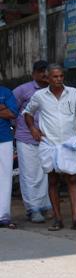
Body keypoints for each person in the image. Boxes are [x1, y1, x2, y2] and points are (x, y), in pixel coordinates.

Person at [23, 64, 76, 232]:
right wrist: (32, 128)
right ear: (48, 78)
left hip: (68, 143)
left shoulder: (73, 93)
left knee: (72, 179)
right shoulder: (40, 96)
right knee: (53, 180)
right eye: (55, 77)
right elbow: (27, 113)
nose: (59, 79)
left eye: (61, 76)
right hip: (49, 143)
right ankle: (58, 219)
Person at [13, 61, 52, 223]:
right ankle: (33, 209)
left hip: (47, 139)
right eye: (40, 71)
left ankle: (44, 207)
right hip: (26, 138)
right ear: (34, 73)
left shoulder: (53, 89)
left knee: (44, 173)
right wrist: (18, 127)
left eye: (46, 71)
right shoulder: (23, 90)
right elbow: (11, 110)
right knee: (29, 175)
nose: (44, 74)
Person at [0, 80, 18, 228]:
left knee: (5, 176)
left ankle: (3, 216)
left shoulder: (6, 92)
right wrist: (2, 108)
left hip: (4, 138)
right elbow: (6, 112)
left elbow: (12, 113)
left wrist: (6, 110)